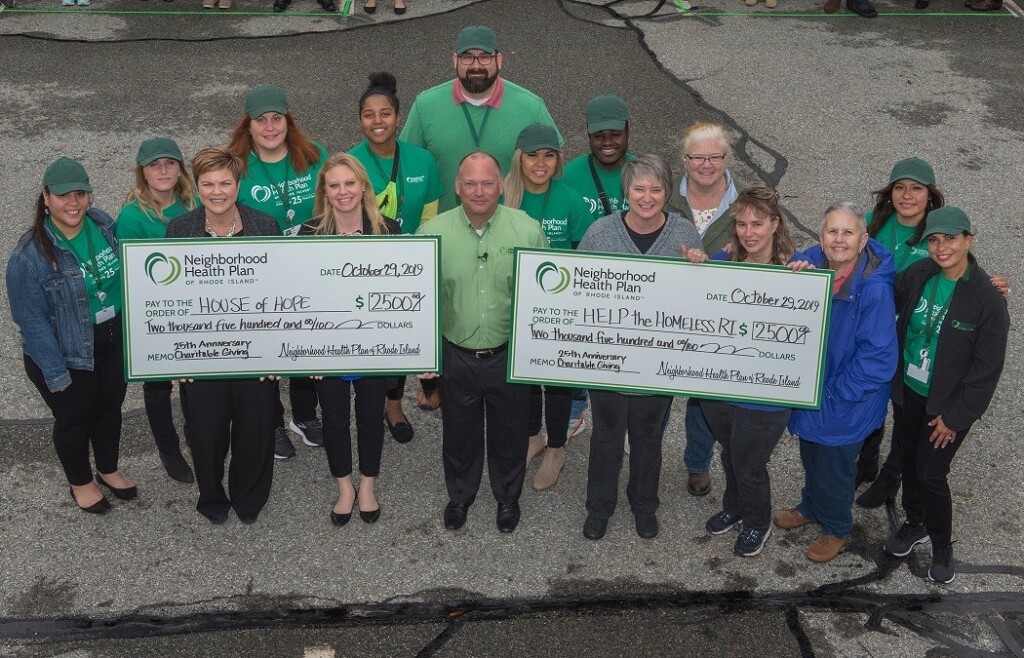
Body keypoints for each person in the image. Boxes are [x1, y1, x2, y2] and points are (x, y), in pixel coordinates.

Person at [856, 158, 1009, 506]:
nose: (907, 195)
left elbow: (965, 274)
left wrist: (994, 285)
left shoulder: (939, 233)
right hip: (877, 329)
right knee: (872, 399)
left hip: (913, 340)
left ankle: (892, 475)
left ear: (931, 196)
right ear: (889, 192)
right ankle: (866, 463)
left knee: (904, 415)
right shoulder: (871, 223)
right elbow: (838, 248)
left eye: (917, 188)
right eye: (899, 187)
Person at [415, 152, 549, 534]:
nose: (479, 191)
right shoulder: (431, 234)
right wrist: (426, 356)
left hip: (508, 355)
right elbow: (420, 300)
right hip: (456, 354)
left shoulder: (527, 231)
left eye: (487, 183)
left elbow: (545, 298)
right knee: (459, 431)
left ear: (501, 186)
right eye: (470, 183)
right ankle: (460, 496)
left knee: (510, 432)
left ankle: (507, 498)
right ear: (457, 187)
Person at [577, 154, 702, 541]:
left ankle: (644, 504)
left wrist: (701, 268)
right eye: (639, 189)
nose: (647, 197)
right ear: (626, 191)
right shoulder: (599, 234)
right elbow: (576, 295)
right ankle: (599, 507)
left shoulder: (684, 235)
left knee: (648, 439)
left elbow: (699, 303)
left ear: (667, 192)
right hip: (609, 364)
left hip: (657, 367)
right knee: (606, 438)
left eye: (657, 189)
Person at [881, 207, 1008, 583]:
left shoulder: (987, 300)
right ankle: (915, 521)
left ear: (968, 239)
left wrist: (956, 417)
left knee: (931, 474)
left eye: (950, 238)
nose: (941, 247)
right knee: (906, 458)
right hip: (909, 392)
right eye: (934, 240)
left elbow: (986, 372)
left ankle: (941, 546)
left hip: (947, 406)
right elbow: (880, 294)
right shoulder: (919, 274)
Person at [7, 157, 134, 514]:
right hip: (66, 351)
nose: (73, 202)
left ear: (90, 196)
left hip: (112, 339)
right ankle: (81, 482)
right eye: (63, 195)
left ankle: (107, 468)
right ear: (46, 198)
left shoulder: (103, 223)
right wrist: (56, 375)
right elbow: (31, 323)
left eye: (80, 193)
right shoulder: (27, 257)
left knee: (110, 409)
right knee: (74, 419)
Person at [774, 203, 897, 563]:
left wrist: (834, 393)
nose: (838, 239)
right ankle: (811, 505)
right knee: (811, 454)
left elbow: (877, 360)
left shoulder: (874, 291)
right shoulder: (808, 266)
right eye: (831, 231)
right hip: (813, 390)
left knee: (836, 467)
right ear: (820, 236)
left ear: (863, 241)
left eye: (847, 232)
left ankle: (837, 527)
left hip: (845, 399)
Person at [166, 147, 281, 525]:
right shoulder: (179, 231)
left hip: (258, 353)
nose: (218, 192)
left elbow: (285, 295)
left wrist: (279, 355)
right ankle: (212, 495)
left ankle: (249, 497)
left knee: (256, 429)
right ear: (196, 187)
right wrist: (175, 358)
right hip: (202, 356)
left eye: (225, 183)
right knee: (207, 434)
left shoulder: (265, 226)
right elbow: (168, 301)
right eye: (208, 184)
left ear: (238, 184)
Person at [684, 187, 795, 557]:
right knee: (730, 453)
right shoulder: (722, 262)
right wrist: (697, 266)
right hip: (720, 389)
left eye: (758, 224)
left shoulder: (794, 274)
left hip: (765, 397)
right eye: (743, 224)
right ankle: (735, 508)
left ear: (775, 224)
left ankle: (757, 522)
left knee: (749, 463)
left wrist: (807, 280)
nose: (750, 232)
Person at [228, 83, 331, 459]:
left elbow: (335, 200)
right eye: (261, 120)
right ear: (248, 125)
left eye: (277, 119)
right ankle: (271, 421)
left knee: (305, 344)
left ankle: (305, 417)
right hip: (261, 274)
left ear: (288, 120)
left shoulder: (314, 155)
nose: (270, 127)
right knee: (268, 349)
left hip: (307, 267)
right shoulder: (235, 164)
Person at [298, 154, 402, 526]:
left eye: (349, 183)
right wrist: (306, 353)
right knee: (335, 419)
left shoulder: (388, 230)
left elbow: (402, 293)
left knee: (372, 417)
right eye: (334, 185)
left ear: (363, 187)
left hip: (373, 346)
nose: (343, 192)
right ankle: (344, 487)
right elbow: (300, 296)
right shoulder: (309, 234)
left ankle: (368, 485)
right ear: (324, 192)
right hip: (327, 349)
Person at [349, 71, 445, 439]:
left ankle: (394, 401)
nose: (378, 121)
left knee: (404, 332)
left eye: (385, 113)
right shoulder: (351, 163)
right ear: (360, 120)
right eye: (369, 114)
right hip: (366, 265)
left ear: (398, 117)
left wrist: (419, 260)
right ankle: (378, 403)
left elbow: (431, 216)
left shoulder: (422, 160)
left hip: (411, 262)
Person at [503, 123, 593, 491]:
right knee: (524, 378)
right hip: (514, 304)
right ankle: (532, 437)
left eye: (549, 155)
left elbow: (584, 255)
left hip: (559, 306)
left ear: (558, 160)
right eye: (532, 155)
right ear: (519, 158)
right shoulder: (504, 197)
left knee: (556, 380)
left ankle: (556, 447)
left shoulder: (570, 199)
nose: (540, 163)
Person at [400, 24, 562, 212]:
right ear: (455, 60)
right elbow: (406, 163)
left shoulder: (532, 107)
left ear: (499, 60)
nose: (476, 66)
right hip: (446, 231)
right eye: (467, 57)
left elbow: (555, 166)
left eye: (485, 57)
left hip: (510, 230)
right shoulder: (425, 105)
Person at [116, 137, 198, 484]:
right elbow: (132, 276)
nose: (162, 170)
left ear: (180, 168)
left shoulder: (194, 202)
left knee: (196, 379)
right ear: (143, 172)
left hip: (194, 307)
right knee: (159, 384)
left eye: (169, 163)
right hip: (154, 313)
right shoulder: (133, 216)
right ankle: (168, 447)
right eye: (154, 165)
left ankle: (197, 435)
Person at [665, 121, 740, 498]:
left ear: (727, 159)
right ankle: (646, 454)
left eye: (715, 156)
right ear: (685, 160)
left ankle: (698, 463)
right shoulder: (664, 197)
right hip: (664, 310)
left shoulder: (746, 204)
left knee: (703, 397)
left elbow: (769, 249)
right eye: (698, 157)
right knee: (657, 388)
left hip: (718, 317)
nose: (706, 164)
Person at [561, 94, 635, 438]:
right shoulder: (571, 174)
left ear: (627, 133)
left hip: (633, 285)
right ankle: (575, 411)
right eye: (598, 136)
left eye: (614, 134)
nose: (607, 143)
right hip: (585, 281)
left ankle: (623, 420)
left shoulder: (641, 172)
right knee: (580, 354)